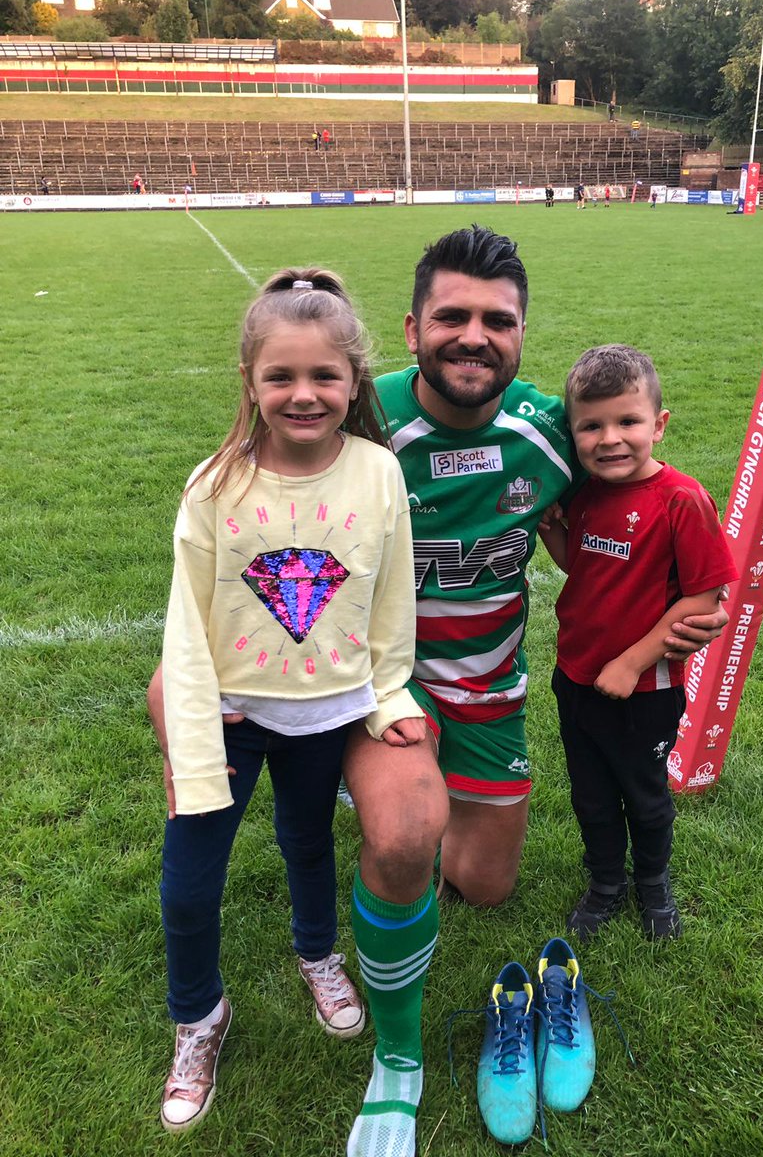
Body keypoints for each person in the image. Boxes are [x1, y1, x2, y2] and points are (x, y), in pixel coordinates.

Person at [147, 226, 728, 1156]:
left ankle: (388, 836)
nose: (474, 336)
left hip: (490, 692)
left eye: (497, 321)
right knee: (406, 834)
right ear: (412, 329)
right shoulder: (354, 418)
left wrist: (682, 599)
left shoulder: (552, 432)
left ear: (522, 334)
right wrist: (184, 673)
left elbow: (627, 493)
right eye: (451, 316)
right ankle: (400, 1046)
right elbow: (242, 514)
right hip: (374, 692)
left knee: (485, 886)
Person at [156, 268, 425, 1134]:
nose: (303, 395)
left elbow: (390, 601)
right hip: (229, 719)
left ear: (355, 382)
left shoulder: (380, 473)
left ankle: (319, 955)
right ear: (250, 381)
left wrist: (386, 697)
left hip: (327, 716)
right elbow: (186, 631)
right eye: (281, 377)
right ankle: (199, 1017)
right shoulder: (213, 487)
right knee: (190, 887)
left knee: (308, 844)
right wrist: (192, 745)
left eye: (324, 377)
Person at [540, 345, 737, 941]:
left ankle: (652, 882)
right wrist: (555, 533)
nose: (610, 439)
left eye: (628, 421)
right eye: (591, 426)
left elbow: (705, 598)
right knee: (591, 796)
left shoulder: (681, 499)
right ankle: (605, 882)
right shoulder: (587, 494)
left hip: (643, 688)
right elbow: (583, 566)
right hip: (575, 676)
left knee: (645, 795)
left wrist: (631, 662)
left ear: (659, 423)